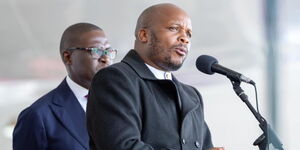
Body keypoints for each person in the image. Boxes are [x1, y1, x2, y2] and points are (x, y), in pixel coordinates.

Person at [86, 3, 223, 150]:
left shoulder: (191, 96)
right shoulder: (114, 79)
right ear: (144, 35)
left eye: (188, 34)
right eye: (174, 29)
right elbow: (123, 146)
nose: (185, 39)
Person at [13, 22, 117, 150]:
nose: (106, 58)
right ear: (68, 57)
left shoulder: (123, 104)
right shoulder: (38, 116)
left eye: (108, 51)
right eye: (97, 51)